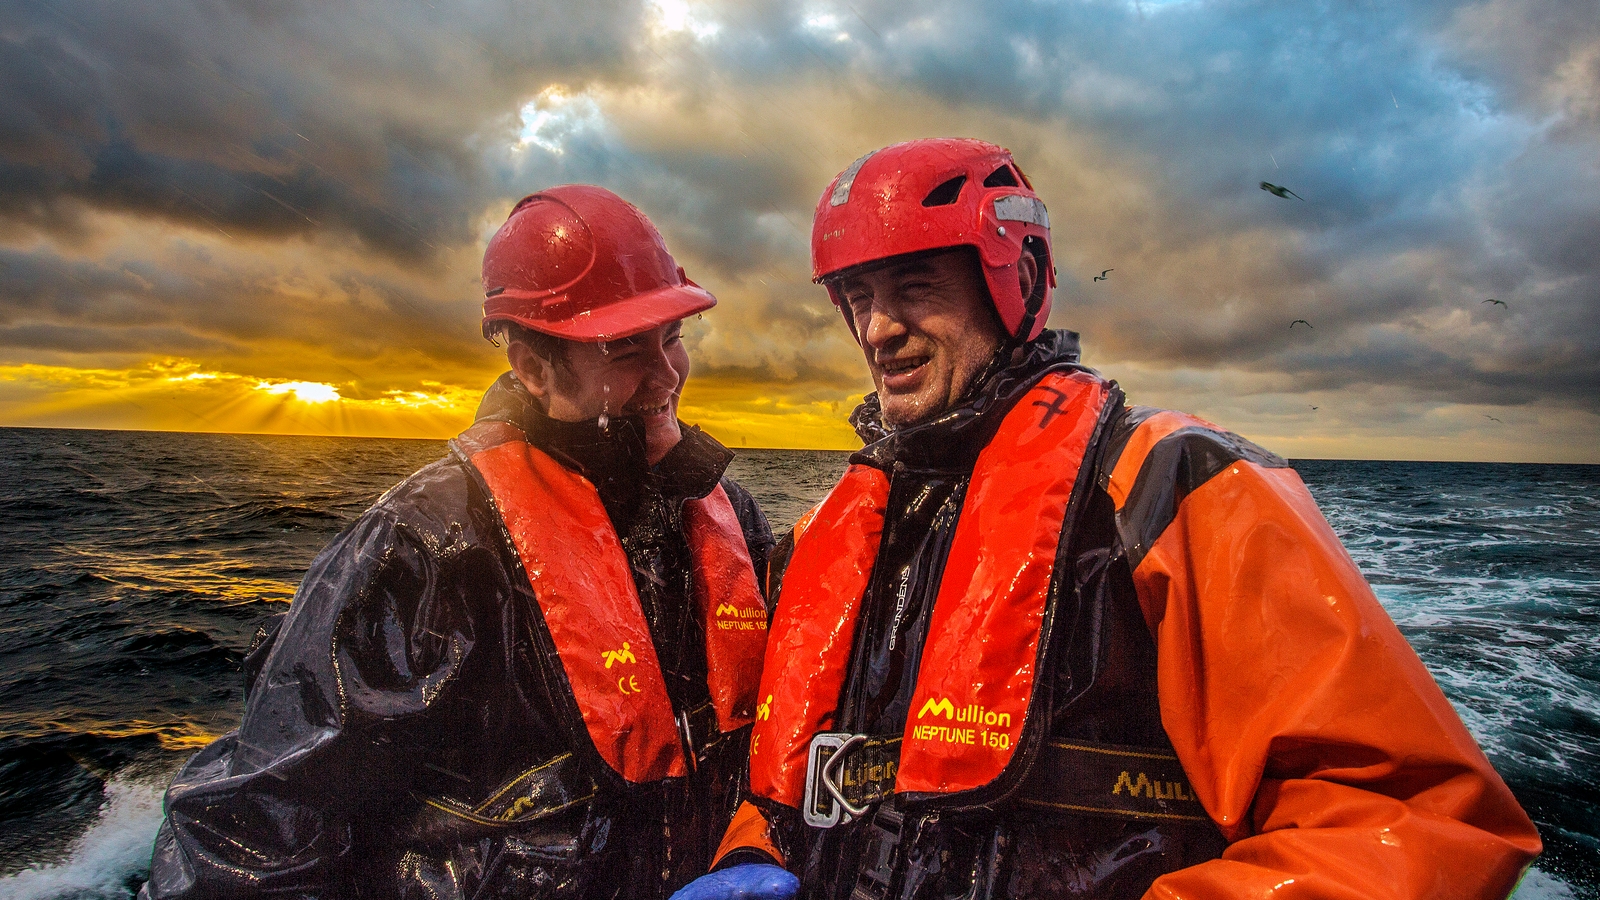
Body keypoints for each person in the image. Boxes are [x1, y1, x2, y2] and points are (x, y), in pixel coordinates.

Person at [683, 139, 1542, 900]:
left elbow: (1406, 825)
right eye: (855, 296)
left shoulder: (1179, 487)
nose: (878, 328)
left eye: (914, 286)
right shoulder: (832, 529)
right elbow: (801, 779)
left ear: (1014, 281)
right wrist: (748, 854)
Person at [141, 185, 775, 899]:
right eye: (625, 349)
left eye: (673, 338)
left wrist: (756, 855)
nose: (666, 376)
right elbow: (250, 834)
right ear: (534, 368)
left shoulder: (730, 520)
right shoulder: (422, 548)